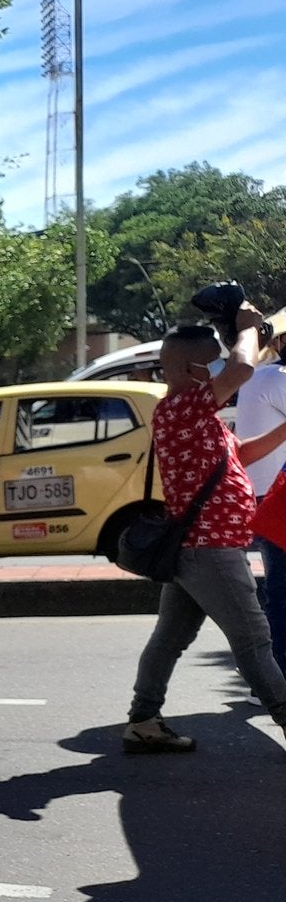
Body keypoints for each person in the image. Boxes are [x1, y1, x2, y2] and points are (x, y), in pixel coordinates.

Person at [124, 311, 286, 754]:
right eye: (213, 363)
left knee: (170, 638)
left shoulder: (199, 417)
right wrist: (250, 326)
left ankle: (143, 721)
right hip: (209, 551)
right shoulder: (179, 408)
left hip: (197, 549)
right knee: (255, 642)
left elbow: (243, 455)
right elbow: (243, 368)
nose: (220, 371)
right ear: (191, 370)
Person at [234, 328, 286, 674]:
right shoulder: (277, 379)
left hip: (267, 494)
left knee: (280, 589)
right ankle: (276, 675)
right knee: (282, 591)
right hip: (276, 496)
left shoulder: (264, 375)